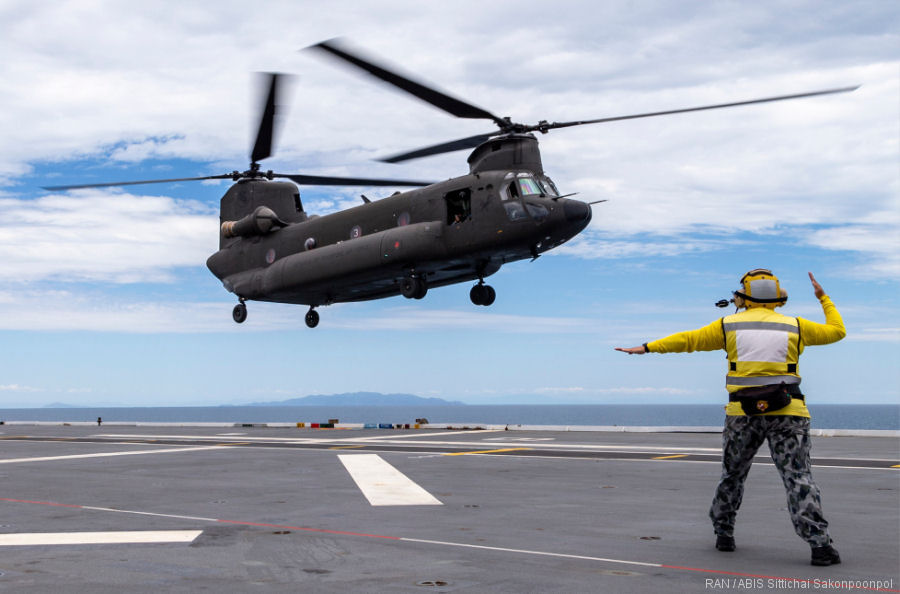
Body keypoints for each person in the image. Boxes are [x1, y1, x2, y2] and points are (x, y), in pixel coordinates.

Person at [615, 270, 846, 566]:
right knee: (798, 479)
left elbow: (688, 340)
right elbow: (838, 331)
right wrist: (823, 298)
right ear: (778, 298)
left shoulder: (728, 325)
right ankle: (820, 546)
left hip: (741, 414)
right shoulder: (796, 326)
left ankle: (724, 534)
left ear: (743, 296)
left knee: (733, 475)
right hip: (788, 413)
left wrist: (647, 347)